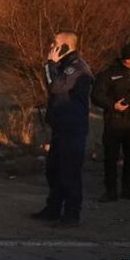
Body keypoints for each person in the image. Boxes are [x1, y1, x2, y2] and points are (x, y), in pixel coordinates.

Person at [31, 31, 93, 227]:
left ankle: (71, 215)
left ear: (64, 47)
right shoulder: (65, 66)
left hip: (72, 129)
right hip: (61, 127)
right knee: (54, 171)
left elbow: (56, 87)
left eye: (55, 44)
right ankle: (53, 209)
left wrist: (49, 64)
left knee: (69, 173)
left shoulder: (76, 68)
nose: (51, 47)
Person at [91, 43, 130, 202]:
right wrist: (112, 105)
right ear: (127, 60)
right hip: (115, 122)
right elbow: (96, 95)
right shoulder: (109, 74)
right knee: (111, 158)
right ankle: (110, 191)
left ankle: (129, 189)